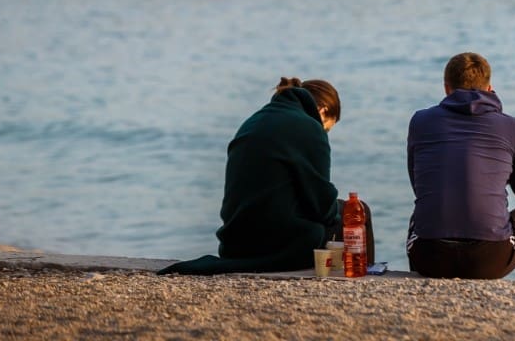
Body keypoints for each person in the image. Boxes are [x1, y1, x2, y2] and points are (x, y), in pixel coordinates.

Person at [159, 77, 374, 275]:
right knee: (357, 211)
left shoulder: (255, 120)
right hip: (279, 245)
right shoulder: (310, 128)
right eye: (327, 128)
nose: (324, 133)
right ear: (323, 111)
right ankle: (367, 274)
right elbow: (322, 207)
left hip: (234, 243)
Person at [406, 52, 515, 282]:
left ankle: (423, 290)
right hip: (488, 258)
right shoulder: (509, 126)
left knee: (421, 214)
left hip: (429, 257)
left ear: (446, 88)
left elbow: (418, 185)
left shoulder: (420, 121)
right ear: (489, 88)